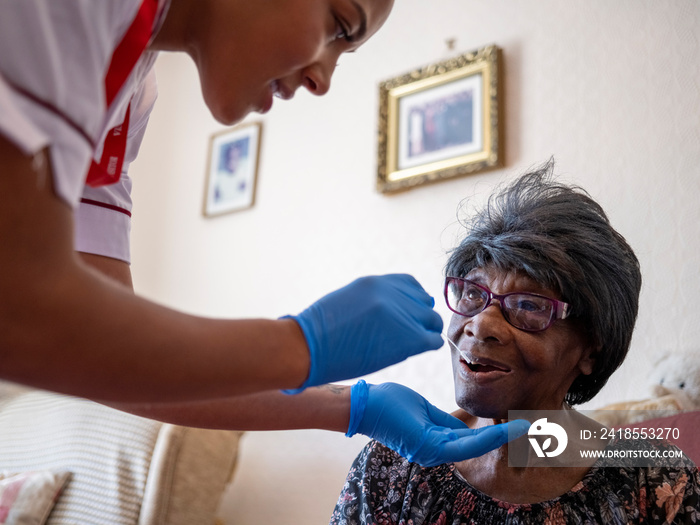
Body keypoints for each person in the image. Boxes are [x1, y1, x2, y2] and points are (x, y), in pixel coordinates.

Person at [0, 0, 526, 466]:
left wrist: (353, 406)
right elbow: (21, 313)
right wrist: (301, 345)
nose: (324, 78)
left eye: (530, 306)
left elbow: (105, 357)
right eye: (339, 23)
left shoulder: (129, 96)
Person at [330, 161, 700, 524]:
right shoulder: (394, 463)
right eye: (472, 293)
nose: (480, 325)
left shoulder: (656, 480)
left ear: (590, 349)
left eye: (528, 306)